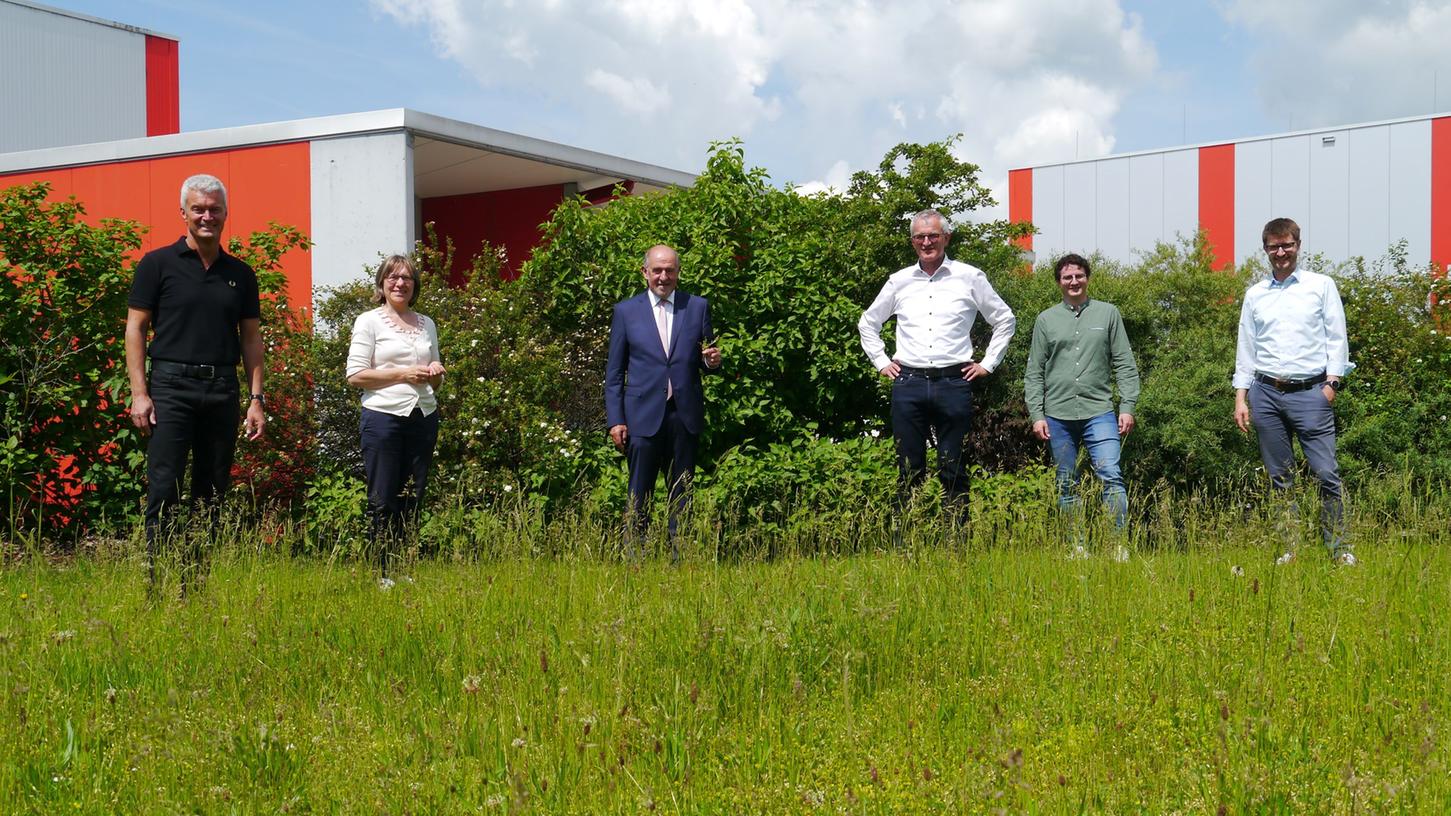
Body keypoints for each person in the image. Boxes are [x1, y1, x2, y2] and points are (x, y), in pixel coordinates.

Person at [126, 173, 266, 593]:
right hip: (169, 386)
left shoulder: (241, 274)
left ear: (226, 214)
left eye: (214, 209)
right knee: (164, 487)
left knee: (211, 491)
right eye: (198, 209)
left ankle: (194, 586)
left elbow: (252, 338)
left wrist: (256, 399)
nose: (207, 216)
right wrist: (139, 392)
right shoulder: (157, 264)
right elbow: (136, 329)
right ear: (183, 213)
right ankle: (158, 585)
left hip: (221, 389)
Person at [858, 208, 1016, 524]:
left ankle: (956, 542)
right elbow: (868, 323)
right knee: (908, 466)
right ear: (912, 241)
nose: (927, 242)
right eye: (920, 237)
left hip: (953, 383)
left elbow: (1005, 319)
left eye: (933, 235)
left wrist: (987, 364)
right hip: (909, 383)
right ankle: (907, 541)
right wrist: (881, 362)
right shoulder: (898, 281)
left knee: (953, 464)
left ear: (946, 237)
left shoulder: (970, 277)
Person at [1233, 217, 1355, 565]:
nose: (1281, 252)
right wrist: (1241, 397)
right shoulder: (1255, 294)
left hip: (1311, 393)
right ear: (1266, 250)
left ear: (1297, 246)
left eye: (1287, 245)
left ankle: (1339, 549)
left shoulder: (1321, 285)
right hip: (1266, 393)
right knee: (1279, 478)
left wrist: (1331, 385)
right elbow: (1247, 347)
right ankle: (1291, 549)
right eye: (1274, 246)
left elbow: (1337, 338)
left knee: (1325, 472)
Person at [605, 244, 722, 559]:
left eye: (670, 270)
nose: (663, 276)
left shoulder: (697, 307)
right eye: (657, 270)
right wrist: (616, 419)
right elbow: (615, 373)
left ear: (678, 273)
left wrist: (711, 361)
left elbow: (705, 357)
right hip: (641, 417)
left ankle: (679, 558)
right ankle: (634, 560)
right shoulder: (626, 312)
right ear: (645, 272)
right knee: (639, 493)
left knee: (682, 492)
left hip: (683, 416)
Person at [1023, 253, 1140, 551]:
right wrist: (1037, 414)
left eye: (1079, 276)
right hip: (1058, 416)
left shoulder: (1108, 313)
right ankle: (1077, 548)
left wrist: (1127, 406)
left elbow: (1125, 363)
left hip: (1099, 411)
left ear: (1087, 278)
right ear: (1059, 283)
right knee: (1066, 483)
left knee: (1111, 476)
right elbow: (1034, 372)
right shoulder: (1046, 320)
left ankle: (1117, 547)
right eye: (1067, 277)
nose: (1074, 282)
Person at [345, 255, 445, 581]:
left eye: (406, 278)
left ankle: (403, 569)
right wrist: (403, 373)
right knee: (383, 497)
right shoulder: (369, 321)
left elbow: (435, 380)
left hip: (424, 415)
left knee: (412, 497)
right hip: (383, 418)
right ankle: (382, 572)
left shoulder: (426, 323)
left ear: (414, 286)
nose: (399, 283)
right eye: (393, 277)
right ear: (382, 284)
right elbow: (356, 375)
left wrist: (434, 374)